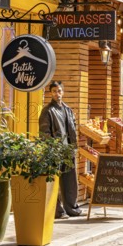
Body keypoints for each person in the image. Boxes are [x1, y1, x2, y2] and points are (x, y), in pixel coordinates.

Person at [38, 81, 82, 219]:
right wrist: (51, 150)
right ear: (50, 93)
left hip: (68, 149)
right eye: (54, 91)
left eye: (59, 91)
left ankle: (72, 208)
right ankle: (57, 211)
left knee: (70, 181)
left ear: (63, 92)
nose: (57, 93)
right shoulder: (48, 110)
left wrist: (74, 147)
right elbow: (44, 133)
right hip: (55, 150)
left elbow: (73, 129)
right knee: (54, 181)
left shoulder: (68, 109)